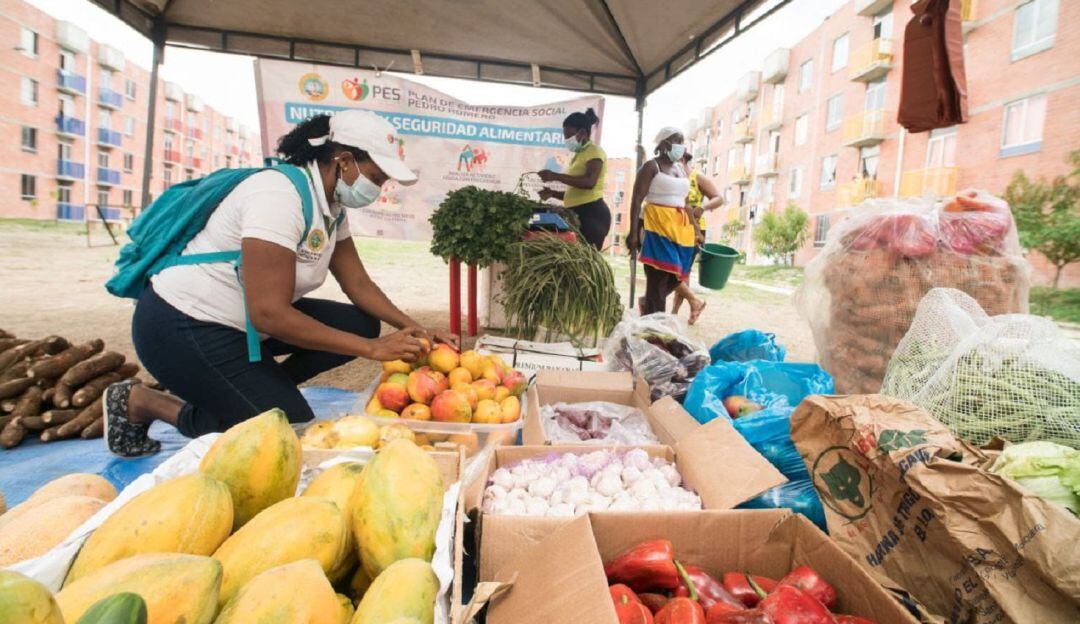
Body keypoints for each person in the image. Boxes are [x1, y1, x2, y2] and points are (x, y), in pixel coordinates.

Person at [104, 111, 457, 457]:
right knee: (286, 433)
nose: (379, 190)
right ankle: (144, 402)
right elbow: (269, 313)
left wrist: (416, 328)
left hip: (242, 326)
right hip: (182, 327)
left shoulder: (331, 207)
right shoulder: (278, 195)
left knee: (359, 322)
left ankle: (256, 388)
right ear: (344, 160)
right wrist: (372, 348)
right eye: (377, 178)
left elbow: (359, 284)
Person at [626, 128, 704, 315]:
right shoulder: (651, 167)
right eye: (677, 141)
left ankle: (651, 309)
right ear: (665, 143)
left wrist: (696, 230)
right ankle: (655, 327)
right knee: (658, 278)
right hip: (657, 229)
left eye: (682, 141)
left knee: (677, 275)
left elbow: (685, 204)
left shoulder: (680, 168)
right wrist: (634, 233)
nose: (681, 146)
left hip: (680, 230)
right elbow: (637, 200)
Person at [536, 108, 611, 249]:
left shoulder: (594, 151)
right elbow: (576, 194)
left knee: (586, 261)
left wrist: (555, 176)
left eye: (568, 136)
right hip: (578, 213)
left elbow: (589, 182)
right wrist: (552, 193)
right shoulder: (578, 156)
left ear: (582, 133)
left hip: (592, 215)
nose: (566, 140)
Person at [671, 153, 724, 325]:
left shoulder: (696, 177)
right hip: (673, 227)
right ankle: (692, 304)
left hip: (694, 230)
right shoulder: (672, 175)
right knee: (672, 270)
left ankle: (673, 314)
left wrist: (703, 207)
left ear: (683, 160)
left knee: (682, 272)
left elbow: (719, 198)